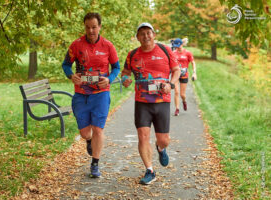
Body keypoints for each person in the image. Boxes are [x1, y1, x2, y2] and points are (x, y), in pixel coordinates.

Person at [62, 12, 120, 178]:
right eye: (88, 27)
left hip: (101, 94)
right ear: (85, 27)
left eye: (94, 27)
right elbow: (66, 64)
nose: (91, 30)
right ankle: (89, 141)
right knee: (85, 133)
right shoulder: (76, 45)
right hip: (81, 94)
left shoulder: (108, 46)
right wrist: (71, 75)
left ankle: (95, 163)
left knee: (98, 129)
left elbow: (116, 67)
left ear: (99, 27)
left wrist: (108, 79)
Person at [121, 22, 180, 185]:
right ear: (137, 37)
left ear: (154, 34)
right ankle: (150, 170)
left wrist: (171, 85)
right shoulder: (132, 54)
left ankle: (161, 149)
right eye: (142, 33)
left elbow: (176, 70)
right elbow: (125, 72)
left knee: (164, 139)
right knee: (142, 136)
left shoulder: (165, 50)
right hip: (142, 102)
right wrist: (125, 79)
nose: (145, 36)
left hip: (162, 101)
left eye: (148, 32)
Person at [172, 38, 197, 116]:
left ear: (181, 44)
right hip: (175, 74)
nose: (177, 48)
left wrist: (194, 73)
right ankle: (177, 109)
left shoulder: (188, 53)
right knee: (176, 92)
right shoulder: (173, 53)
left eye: (178, 46)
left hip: (184, 74)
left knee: (182, 94)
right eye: (175, 46)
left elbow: (193, 62)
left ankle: (184, 101)